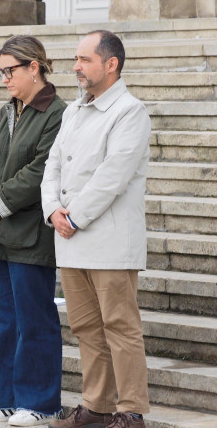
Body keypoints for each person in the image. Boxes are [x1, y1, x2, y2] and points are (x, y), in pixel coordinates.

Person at [42, 30, 150, 428]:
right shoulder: (73, 111)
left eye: (85, 59)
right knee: (86, 327)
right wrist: (53, 208)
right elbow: (52, 166)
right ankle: (96, 406)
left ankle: (131, 411)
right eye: (76, 58)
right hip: (71, 238)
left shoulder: (130, 112)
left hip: (108, 240)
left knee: (120, 328)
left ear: (111, 64)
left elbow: (113, 176)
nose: (75, 66)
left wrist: (72, 216)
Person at [0, 35, 65, 426]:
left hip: (30, 235)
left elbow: (41, 169)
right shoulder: (7, 111)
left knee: (33, 320)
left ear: (34, 67)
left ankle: (40, 403)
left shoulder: (56, 113)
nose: (4, 78)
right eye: (1, 70)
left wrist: (1, 199)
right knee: (3, 320)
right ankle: (6, 398)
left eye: (10, 70)